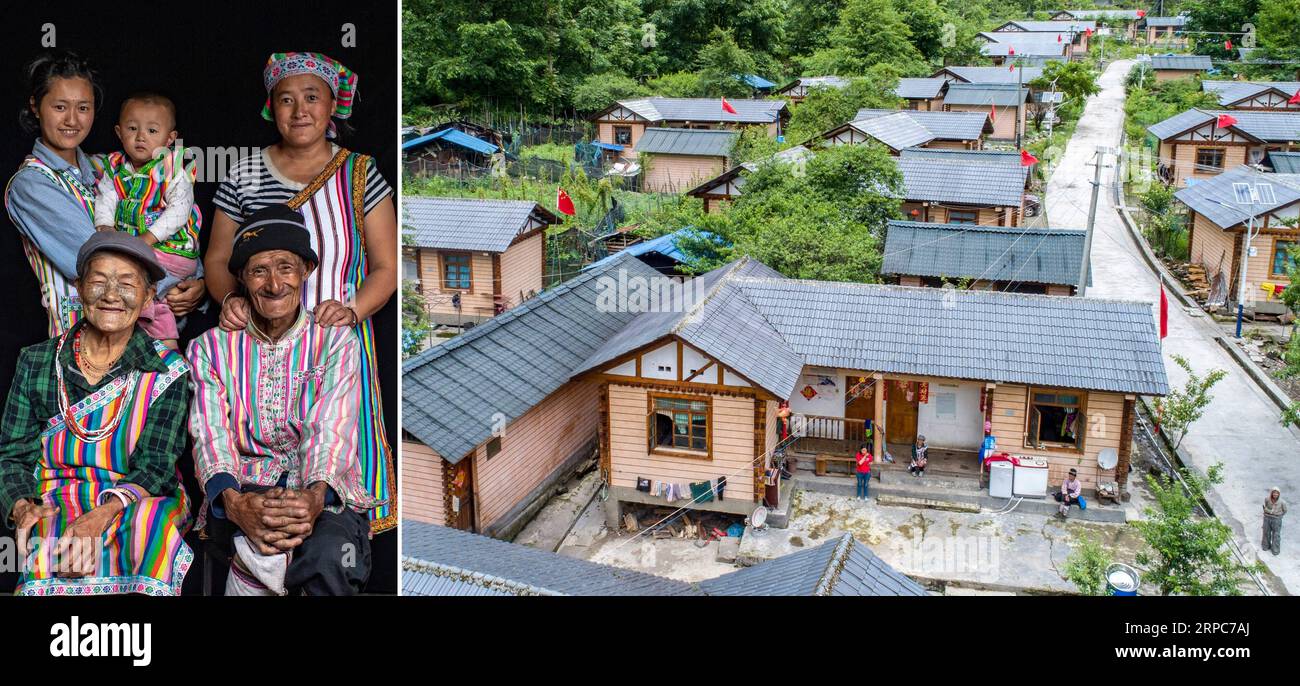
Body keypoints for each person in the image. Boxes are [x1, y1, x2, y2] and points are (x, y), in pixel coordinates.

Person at [205, 52, 397, 533]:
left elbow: (388, 267)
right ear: (272, 108)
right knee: (250, 452)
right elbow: (216, 257)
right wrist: (231, 300)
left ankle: (330, 539)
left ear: (334, 105)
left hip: (335, 341)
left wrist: (352, 311)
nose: (300, 110)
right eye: (286, 100)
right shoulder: (244, 173)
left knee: (332, 457)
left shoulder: (358, 173)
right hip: (255, 344)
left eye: (312, 97)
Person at [189, 206, 380, 595]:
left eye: (285, 268)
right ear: (241, 277)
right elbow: (210, 433)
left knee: (331, 555)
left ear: (306, 270)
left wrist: (311, 498)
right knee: (255, 541)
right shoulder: (210, 348)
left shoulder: (334, 340)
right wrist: (237, 504)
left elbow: (332, 427)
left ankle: (262, 564)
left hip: (322, 490)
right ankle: (255, 561)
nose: (274, 284)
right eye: (259, 270)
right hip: (242, 488)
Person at [0, 233, 192, 595]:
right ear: (78, 287)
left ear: (150, 296)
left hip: (136, 494)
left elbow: (156, 466)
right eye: (99, 281)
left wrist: (103, 514)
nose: (111, 295)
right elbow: (12, 454)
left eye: (127, 284)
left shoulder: (167, 371)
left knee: (150, 527)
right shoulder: (38, 361)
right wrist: (23, 505)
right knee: (47, 537)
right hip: (55, 494)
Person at [5, 51, 205, 338]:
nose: (72, 120)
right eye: (60, 107)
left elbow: (176, 215)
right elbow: (102, 260)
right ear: (36, 107)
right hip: (83, 338)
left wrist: (195, 279)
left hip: (139, 331)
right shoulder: (32, 184)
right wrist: (173, 285)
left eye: (83, 108)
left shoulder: (107, 168)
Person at [92, 92, 202, 349]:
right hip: (140, 249)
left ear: (170, 138)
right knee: (135, 287)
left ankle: (167, 345)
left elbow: (179, 212)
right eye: (132, 128)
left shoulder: (174, 170)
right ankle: (148, 337)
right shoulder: (115, 167)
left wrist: (147, 239)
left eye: (152, 130)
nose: (141, 136)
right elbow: (106, 197)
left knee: (137, 286)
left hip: (171, 251)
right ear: (119, 132)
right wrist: (105, 228)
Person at [1263, 487, 1286, 556]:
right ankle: (1266, 546)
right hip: (1267, 518)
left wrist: (1279, 516)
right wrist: (1268, 512)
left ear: (1279, 494)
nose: (1275, 494)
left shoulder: (1282, 502)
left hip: (1276, 519)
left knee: (1276, 535)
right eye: (1274, 493)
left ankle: (1275, 550)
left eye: (1277, 493)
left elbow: (1285, 511)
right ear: (1271, 493)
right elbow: (1265, 506)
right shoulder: (1267, 499)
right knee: (1266, 532)